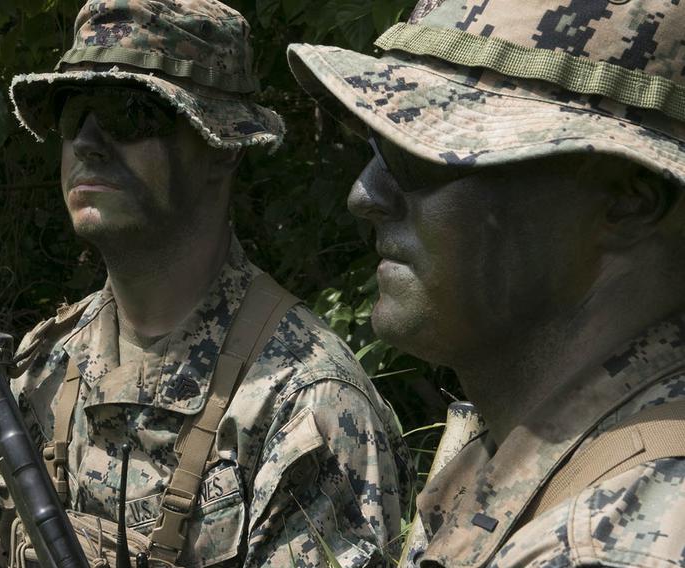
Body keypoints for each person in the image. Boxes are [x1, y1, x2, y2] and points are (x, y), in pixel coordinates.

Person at [0, 1, 412, 567]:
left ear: (221, 147)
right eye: (71, 114)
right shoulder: (44, 366)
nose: (87, 143)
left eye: (129, 114)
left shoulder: (307, 407)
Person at [287, 0, 685, 566]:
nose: (365, 196)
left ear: (630, 200)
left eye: (421, 154)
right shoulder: (544, 468)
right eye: (376, 145)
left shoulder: (610, 542)